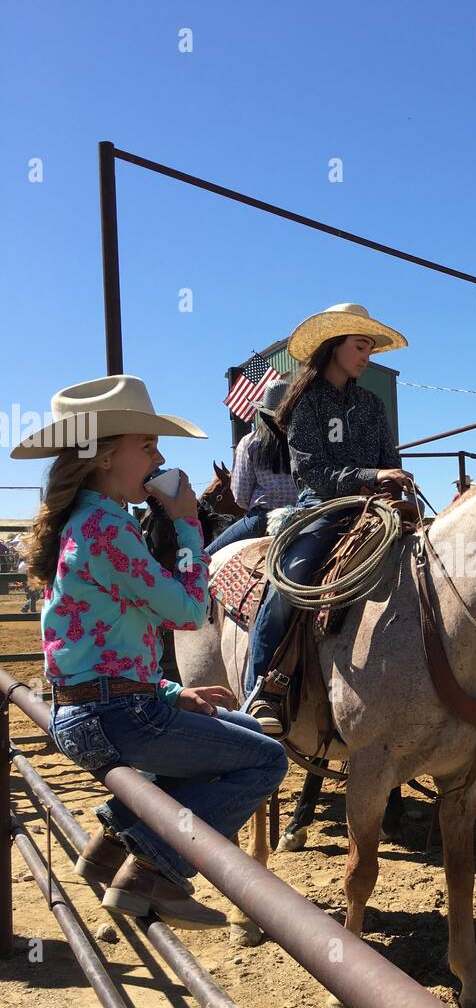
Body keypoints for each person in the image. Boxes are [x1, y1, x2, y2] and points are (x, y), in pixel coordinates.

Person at [13, 375, 288, 927]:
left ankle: (113, 841)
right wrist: (187, 522)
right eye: (148, 446)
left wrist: (167, 688)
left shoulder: (89, 522)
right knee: (267, 758)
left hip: (101, 705)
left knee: (246, 734)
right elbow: (187, 612)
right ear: (106, 457)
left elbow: (99, 642)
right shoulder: (107, 529)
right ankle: (154, 873)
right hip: (117, 713)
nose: (161, 459)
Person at [244, 302, 411, 735]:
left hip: (375, 509)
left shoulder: (372, 405)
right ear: (334, 345)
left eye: (370, 349)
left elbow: (389, 458)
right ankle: (262, 688)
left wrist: (390, 483)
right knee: (290, 581)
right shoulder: (306, 402)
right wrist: (371, 475)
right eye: (360, 346)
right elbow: (310, 470)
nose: (366, 356)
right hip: (322, 507)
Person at [204, 376, 298, 554]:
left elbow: (240, 495)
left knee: (207, 555)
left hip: (263, 519)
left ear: (263, 411)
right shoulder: (304, 442)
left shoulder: (250, 442)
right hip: (304, 517)